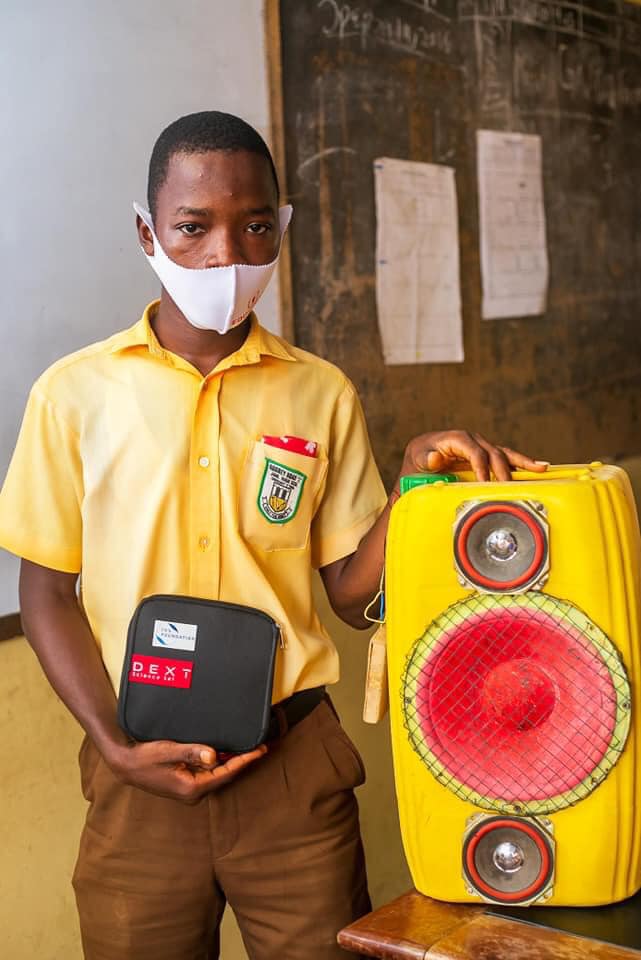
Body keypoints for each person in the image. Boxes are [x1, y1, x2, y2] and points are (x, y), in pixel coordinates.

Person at [0, 111, 547, 960]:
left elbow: (347, 590)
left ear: (280, 229)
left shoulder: (318, 392)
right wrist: (113, 744)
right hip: (137, 769)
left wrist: (414, 489)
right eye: (193, 227)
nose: (225, 254)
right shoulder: (73, 395)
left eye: (254, 225)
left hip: (290, 767)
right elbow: (44, 592)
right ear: (147, 231)